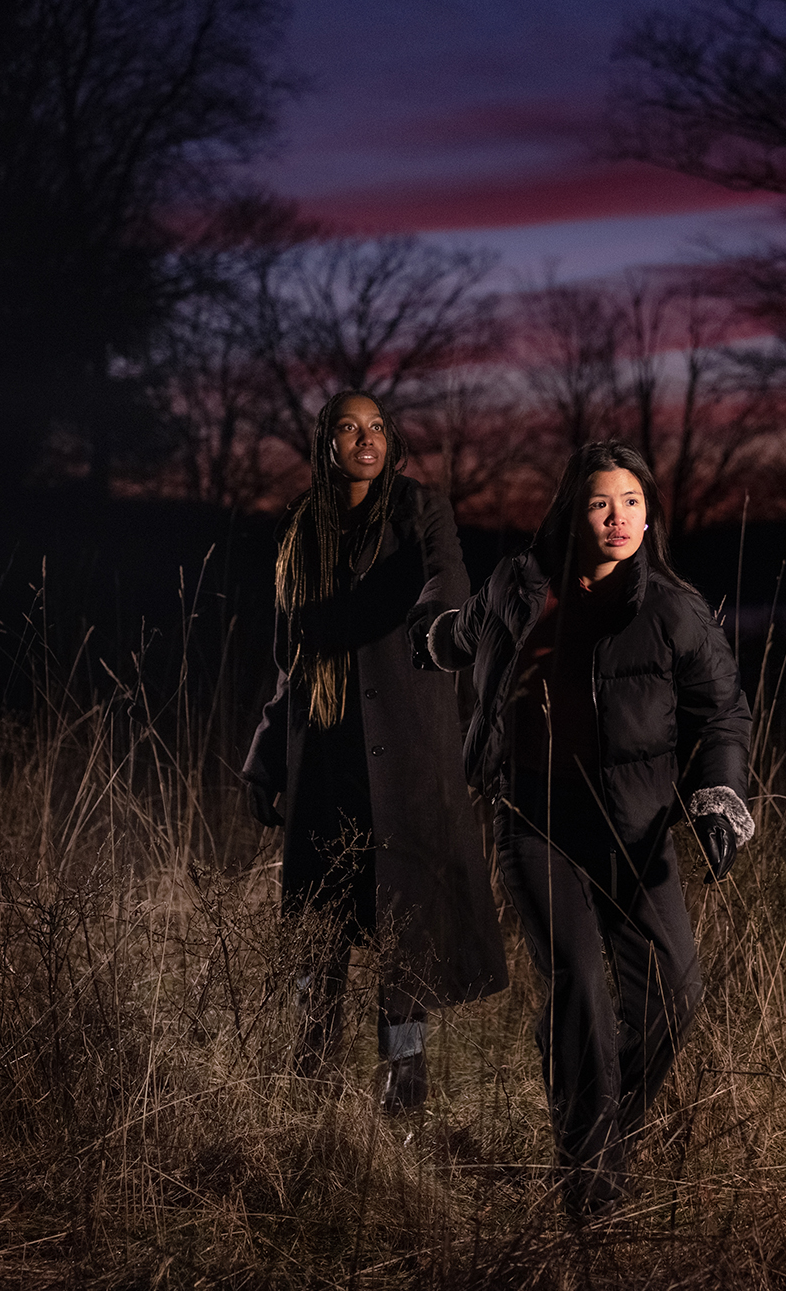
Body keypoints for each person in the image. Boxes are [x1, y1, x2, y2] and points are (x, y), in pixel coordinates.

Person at [427, 440, 755, 1217]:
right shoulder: (522, 583)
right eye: (601, 502)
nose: (619, 517)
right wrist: (425, 639)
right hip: (537, 824)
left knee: (676, 995)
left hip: (635, 833)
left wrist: (718, 794)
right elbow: (471, 627)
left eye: (634, 501)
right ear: (574, 511)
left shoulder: (675, 609)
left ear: (651, 514)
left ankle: (603, 1122)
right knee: (579, 986)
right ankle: (591, 1188)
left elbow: (723, 714)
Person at [242, 390, 508, 1111]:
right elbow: (288, 656)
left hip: (407, 752)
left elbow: (442, 582)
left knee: (407, 921)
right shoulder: (300, 529)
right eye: (349, 428)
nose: (367, 439)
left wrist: (435, 622)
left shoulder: (418, 510)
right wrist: (266, 751)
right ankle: (310, 1081)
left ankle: (404, 1082)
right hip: (325, 752)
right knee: (317, 919)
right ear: (324, 440)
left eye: (378, 427)